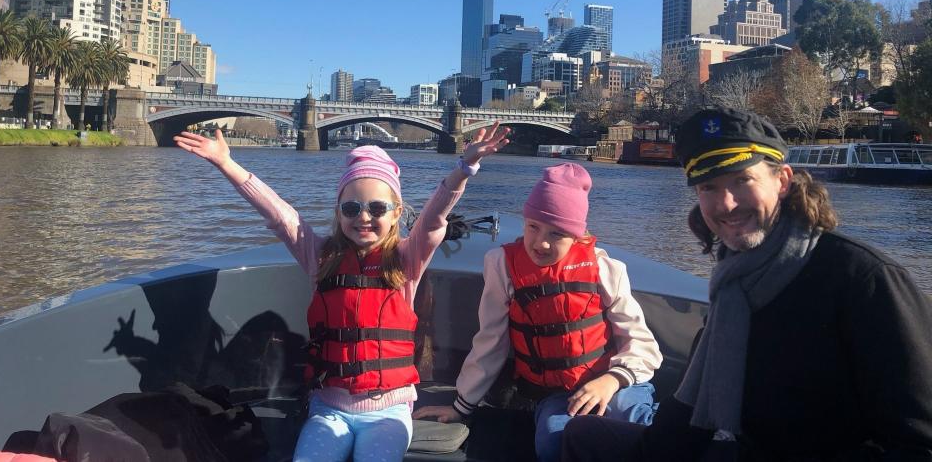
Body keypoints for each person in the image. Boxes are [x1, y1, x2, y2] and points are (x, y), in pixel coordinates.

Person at [562, 107, 932, 462]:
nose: (726, 204)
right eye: (708, 187)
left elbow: (917, 444)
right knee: (579, 436)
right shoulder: (732, 282)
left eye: (742, 180)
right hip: (724, 448)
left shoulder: (862, 279)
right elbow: (688, 414)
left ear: (782, 180)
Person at [173, 123, 510, 462]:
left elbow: (436, 217)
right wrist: (226, 163)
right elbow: (279, 214)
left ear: (396, 214)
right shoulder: (320, 258)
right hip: (328, 408)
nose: (363, 217)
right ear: (339, 212)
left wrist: (464, 169)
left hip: (389, 411)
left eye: (377, 208)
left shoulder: (408, 259)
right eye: (351, 208)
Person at [414, 163, 663, 462]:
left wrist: (612, 380)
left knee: (631, 419)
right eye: (533, 226)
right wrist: (461, 406)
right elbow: (490, 342)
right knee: (552, 441)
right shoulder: (503, 266)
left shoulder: (605, 269)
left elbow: (643, 345)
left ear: (578, 236)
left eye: (557, 234)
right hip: (556, 394)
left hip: (614, 380)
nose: (541, 242)